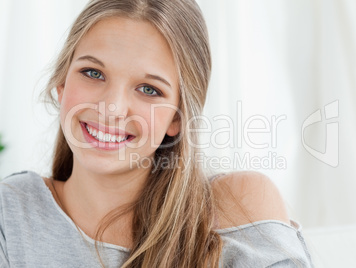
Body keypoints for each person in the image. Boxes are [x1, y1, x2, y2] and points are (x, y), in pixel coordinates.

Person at [0, 0, 313, 267]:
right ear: (62, 84)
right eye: (93, 73)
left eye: (148, 89)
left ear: (177, 119)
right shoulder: (9, 214)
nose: (112, 107)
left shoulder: (237, 206)